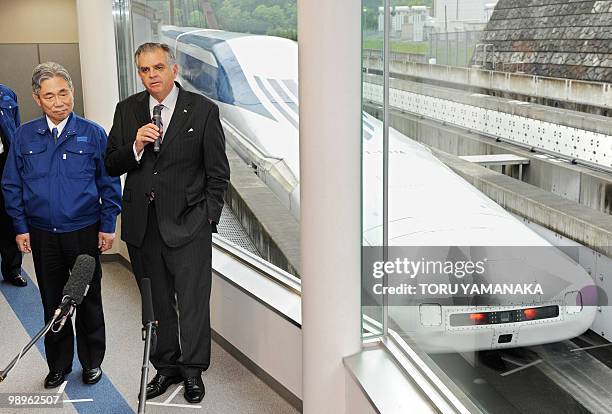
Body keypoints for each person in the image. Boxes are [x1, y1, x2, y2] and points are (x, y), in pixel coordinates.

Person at [105, 42, 229, 404]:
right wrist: (136, 147)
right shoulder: (127, 110)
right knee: (157, 304)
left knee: (192, 302)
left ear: (173, 70)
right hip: (144, 226)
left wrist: (206, 217)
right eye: (144, 70)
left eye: (158, 68)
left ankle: (192, 372)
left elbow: (218, 174)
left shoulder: (203, 111)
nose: (151, 76)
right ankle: (166, 366)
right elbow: (112, 163)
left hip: (189, 225)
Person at [1, 62, 122, 388]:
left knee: (88, 299)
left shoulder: (93, 133)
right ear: (37, 99)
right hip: (42, 235)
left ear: (72, 92)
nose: (58, 101)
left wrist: (108, 225)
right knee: (53, 301)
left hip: (84, 231)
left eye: (64, 92)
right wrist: (20, 227)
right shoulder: (24, 135)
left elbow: (109, 184)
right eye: (50, 95)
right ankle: (58, 365)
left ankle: (92, 361)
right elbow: (11, 185)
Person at [0, 84, 25, 287]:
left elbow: (15, 129)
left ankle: (12, 270)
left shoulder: (7, 94)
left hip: (4, 162)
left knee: (9, 216)